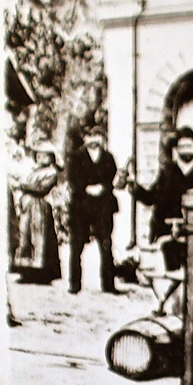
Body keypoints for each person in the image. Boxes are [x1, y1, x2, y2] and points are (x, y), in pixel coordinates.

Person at [126, 127, 193, 269]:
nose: (186, 150)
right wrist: (135, 187)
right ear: (176, 149)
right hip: (167, 232)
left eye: (190, 146)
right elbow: (153, 198)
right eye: (182, 146)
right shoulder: (168, 173)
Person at [67, 126, 119, 294]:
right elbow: (72, 179)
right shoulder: (76, 157)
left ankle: (108, 285)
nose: (94, 139)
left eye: (98, 136)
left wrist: (102, 187)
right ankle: (74, 284)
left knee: (105, 244)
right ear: (85, 138)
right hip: (81, 206)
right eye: (90, 136)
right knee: (76, 245)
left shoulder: (108, 158)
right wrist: (86, 188)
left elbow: (111, 176)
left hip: (103, 206)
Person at [10, 141, 61, 285]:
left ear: (50, 157)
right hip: (29, 207)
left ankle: (42, 271)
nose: (40, 157)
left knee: (40, 238)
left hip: (41, 207)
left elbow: (41, 189)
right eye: (38, 155)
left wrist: (23, 186)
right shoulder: (34, 171)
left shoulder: (51, 172)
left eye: (44, 155)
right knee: (25, 236)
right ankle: (26, 271)